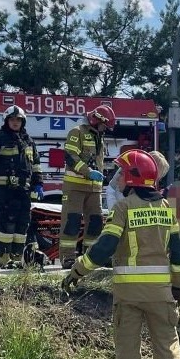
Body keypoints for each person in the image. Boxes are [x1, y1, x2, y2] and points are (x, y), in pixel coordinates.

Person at [61, 150, 180, 359]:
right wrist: (178, 286)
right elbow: (179, 256)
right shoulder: (168, 209)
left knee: (128, 351)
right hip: (161, 296)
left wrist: (78, 270)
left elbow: (105, 247)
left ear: (131, 177)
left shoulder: (123, 208)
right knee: (167, 348)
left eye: (120, 173)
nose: (116, 179)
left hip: (128, 296)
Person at [0, 105, 43, 269]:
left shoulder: (28, 141)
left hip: (24, 191)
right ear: (7, 121)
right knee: (8, 223)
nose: (15, 122)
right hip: (5, 190)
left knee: (22, 224)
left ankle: (17, 258)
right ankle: (4, 259)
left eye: (18, 120)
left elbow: (36, 166)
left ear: (23, 121)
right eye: (12, 119)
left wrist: (38, 184)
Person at [60, 105, 116, 268]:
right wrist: (88, 171)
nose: (105, 129)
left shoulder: (99, 136)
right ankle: (68, 258)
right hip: (75, 187)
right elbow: (70, 156)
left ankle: (91, 258)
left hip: (94, 189)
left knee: (96, 222)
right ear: (96, 119)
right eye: (105, 125)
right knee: (72, 222)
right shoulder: (77, 132)